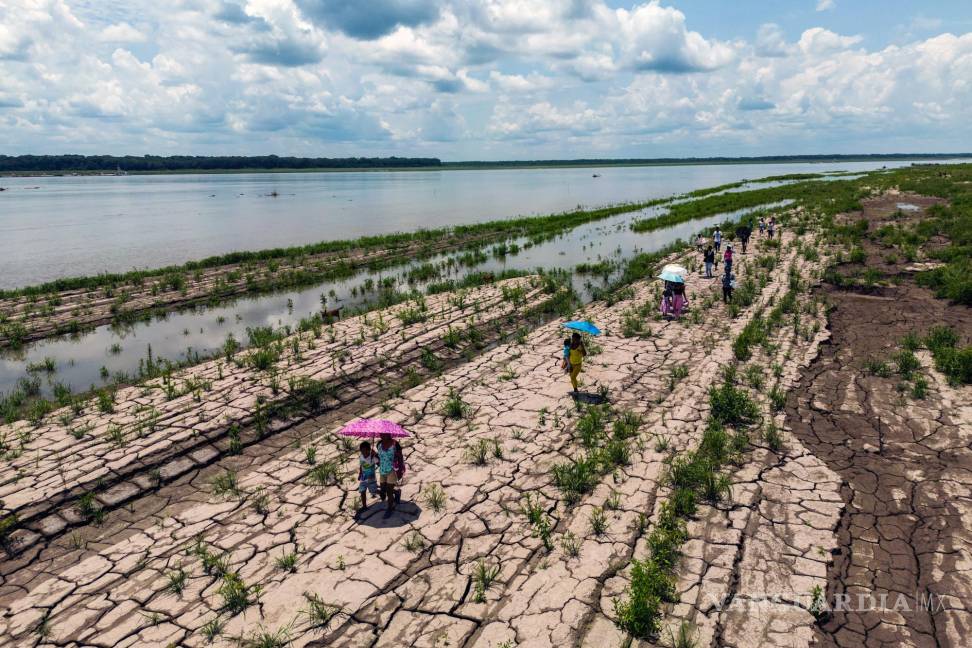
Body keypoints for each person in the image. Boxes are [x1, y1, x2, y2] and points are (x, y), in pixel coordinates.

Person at [376, 432, 405, 518]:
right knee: (383, 489)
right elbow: (379, 458)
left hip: (392, 471)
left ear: (389, 434)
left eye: (385, 434)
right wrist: (374, 455)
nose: (383, 435)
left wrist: (400, 470)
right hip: (382, 470)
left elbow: (400, 458)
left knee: (388, 491)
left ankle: (390, 508)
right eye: (381, 434)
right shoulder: (379, 444)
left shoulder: (395, 444)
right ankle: (397, 492)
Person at [357, 441, 378, 512]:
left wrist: (376, 455)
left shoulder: (372, 457)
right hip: (363, 477)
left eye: (366, 451)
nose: (364, 452)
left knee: (374, 491)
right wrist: (360, 473)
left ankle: (382, 493)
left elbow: (379, 463)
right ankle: (364, 506)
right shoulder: (361, 457)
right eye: (362, 451)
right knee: (362, 491)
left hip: (371, 478)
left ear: (369, 450)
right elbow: (361, 465)